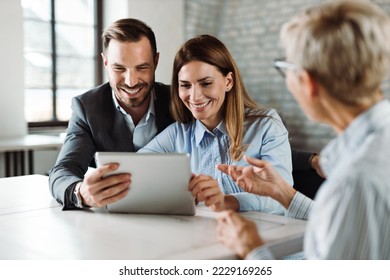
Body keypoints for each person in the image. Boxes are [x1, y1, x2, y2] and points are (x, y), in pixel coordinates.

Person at [217, 0, 390, 259]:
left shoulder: (354, 181)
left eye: (287, 68)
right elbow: (341, 226)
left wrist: (252, 249)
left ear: (308, 83)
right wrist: (283, 194)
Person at [139, 34, 293, 213]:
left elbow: (284, 197)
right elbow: (135, 172)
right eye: (185, 85)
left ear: (228, 81)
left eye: (206, 83)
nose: (195, 96)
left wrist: (226, 201)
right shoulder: (177, 134)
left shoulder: (266, 126)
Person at [49, 18, 174, 210]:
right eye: (119, 68)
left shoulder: (178, 101)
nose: (131, 82)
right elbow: (63, 171)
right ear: (105, 62)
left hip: (173, 214)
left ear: (155, 61)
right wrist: (80, 192)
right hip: (112, 222)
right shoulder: (88, 107)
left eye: (142, 67)